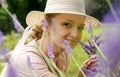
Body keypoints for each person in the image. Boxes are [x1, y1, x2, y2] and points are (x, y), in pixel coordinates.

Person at [1, 0, 100, 77]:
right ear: (46, 24)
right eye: (66, 24)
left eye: (80, 27)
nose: (75, 34)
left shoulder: (63, 54)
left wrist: (82, 74)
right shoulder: (29, 59)